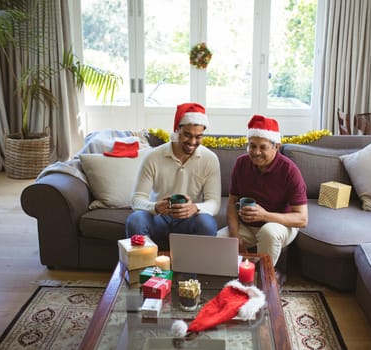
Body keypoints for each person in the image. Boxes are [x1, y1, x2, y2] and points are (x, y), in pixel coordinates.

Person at [218, 115, 308, 277]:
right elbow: (232, 202)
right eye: (252, 146)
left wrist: (265, 215)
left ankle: (265, 278)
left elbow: (302, 219)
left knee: (269, 232)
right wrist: (235, 235)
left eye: (263, 147)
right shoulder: (241, 163)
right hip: (247, 226)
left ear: (276, 146)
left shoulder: (290, 170)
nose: (256, 152)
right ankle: (228, 283)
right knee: (218, 240)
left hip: (281, 224)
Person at [126, 103, 221, 249]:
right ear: (177, 130)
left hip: (190, 220)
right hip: (158, 218)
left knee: (207, 223)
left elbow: (214, 203)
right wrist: (156, 207)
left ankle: (194, 271)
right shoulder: (153, 156)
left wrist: (195, 208)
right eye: (187, 135)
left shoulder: (210, 159)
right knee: (135, 220)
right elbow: (136, 200)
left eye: (198, 137)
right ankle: (145, 269)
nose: (192, 142)